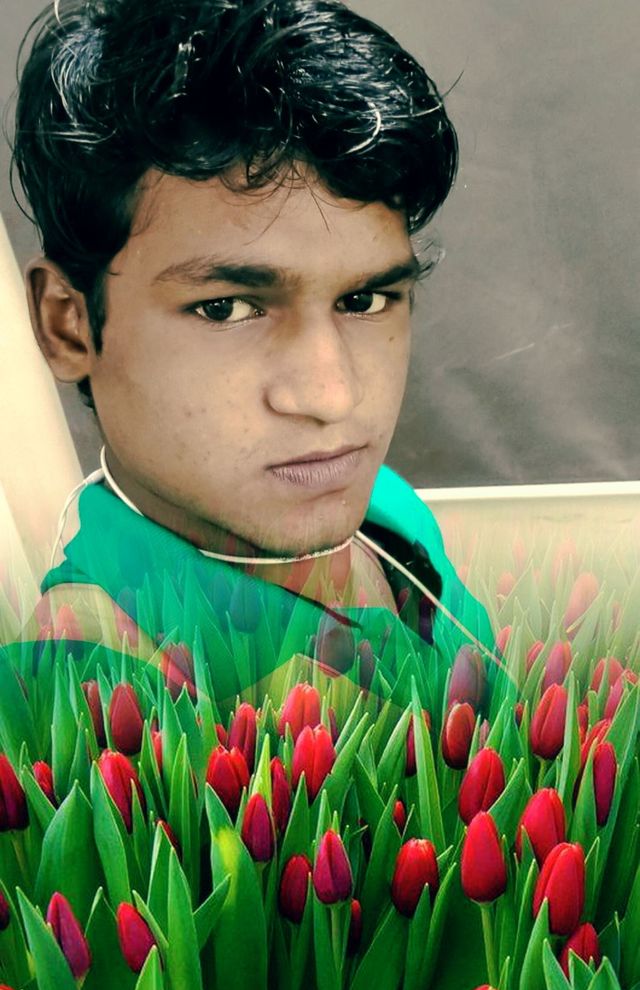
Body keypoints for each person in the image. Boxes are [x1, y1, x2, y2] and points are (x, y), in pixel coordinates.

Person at [10, 0, 495, 707]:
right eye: (227, 308)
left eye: (364, 300)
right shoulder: (68, 700)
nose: (332, 397)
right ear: (68, 326)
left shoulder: (388, 509)